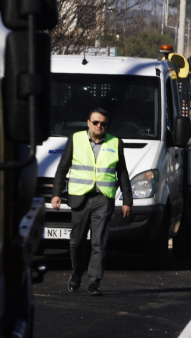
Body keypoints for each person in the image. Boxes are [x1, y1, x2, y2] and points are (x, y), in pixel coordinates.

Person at [51, 107, 133, 296]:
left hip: (103, 199)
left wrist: (128, 200)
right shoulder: (75, 139)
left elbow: (122, 173)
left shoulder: (115, 142)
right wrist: (56, 194)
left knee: (99, 242)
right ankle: (77, 273)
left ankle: (94, 282)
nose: (99, 126)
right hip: (80, 198)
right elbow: (62, 168)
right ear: (88, 122)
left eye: (103, 123)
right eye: (95, 122)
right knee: (76, 243)